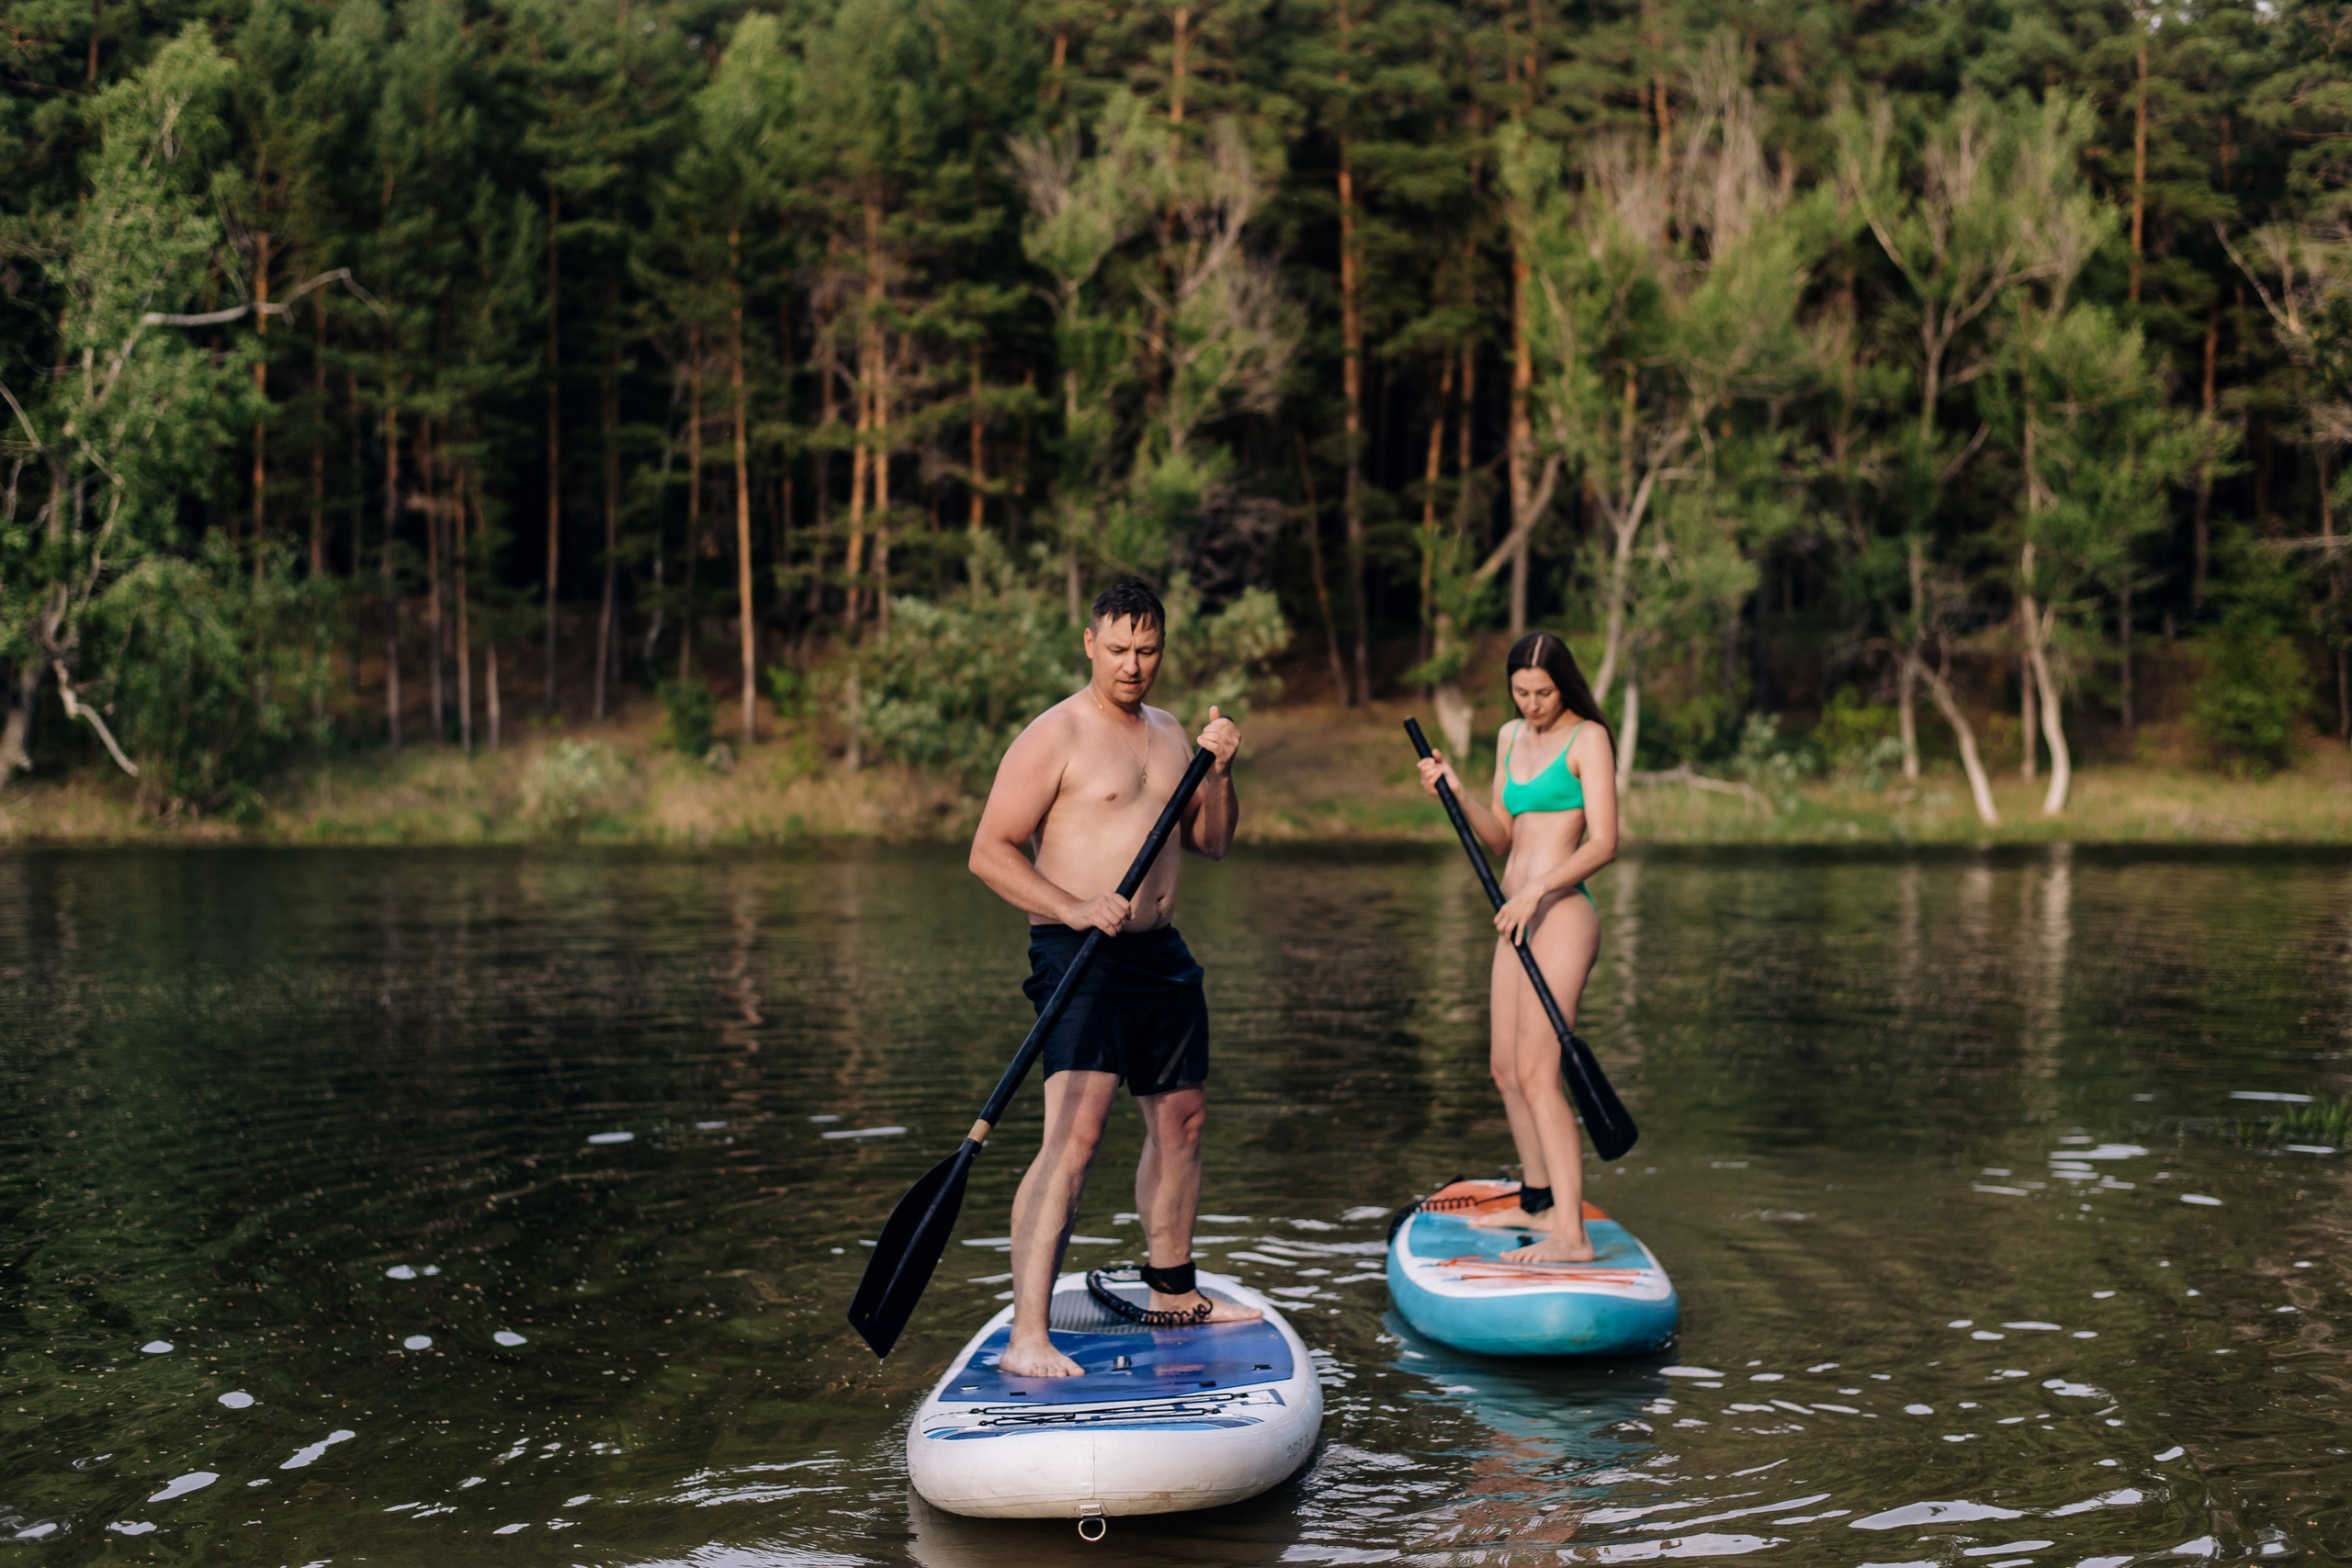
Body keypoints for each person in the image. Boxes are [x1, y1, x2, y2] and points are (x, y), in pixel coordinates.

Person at [967, 577, 1257, 1377]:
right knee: (1076, 1135)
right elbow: (989, 850)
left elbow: (1213, 841)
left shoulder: (1171, 734)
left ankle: (1171, 1288)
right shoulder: (1052, 736)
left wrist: (1222, 772)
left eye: (1148, 649)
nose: (1134, 664)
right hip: (1078, 952)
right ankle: (1030, 1331)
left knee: (1184, 1122)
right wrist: (1070, 905)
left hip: (1160, 954)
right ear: (1090, 643)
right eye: (1119, 648)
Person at [1416, 631, 1620, 1264]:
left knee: (1539, 1071)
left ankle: (1572, 1234)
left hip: (1561, 912)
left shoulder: (1589, 738)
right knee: (1505, 1067)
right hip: (1515, 915)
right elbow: (1502, 836)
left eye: (1544, 691)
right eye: (1521, 692)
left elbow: (1605, 841)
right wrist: (1455, 789)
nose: (1532, 703)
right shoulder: (1509, 738)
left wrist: (1538, 891)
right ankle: (1537, 1202)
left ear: (1566, 684)